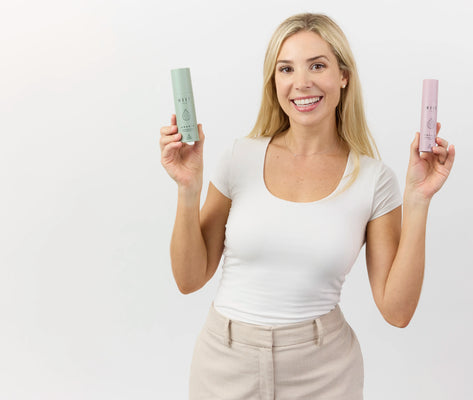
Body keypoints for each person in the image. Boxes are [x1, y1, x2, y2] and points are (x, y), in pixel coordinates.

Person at [159, 12, 455, 400]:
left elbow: (397, 312)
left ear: (343, 76)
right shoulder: (239, 158)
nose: (301, 83)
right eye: (286, 69)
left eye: (317, 65)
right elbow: (189, 279)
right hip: (225, 364)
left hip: (323, 371)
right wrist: (188, 188)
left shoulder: (373, 179)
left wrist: (418, 199)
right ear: (274, 81)